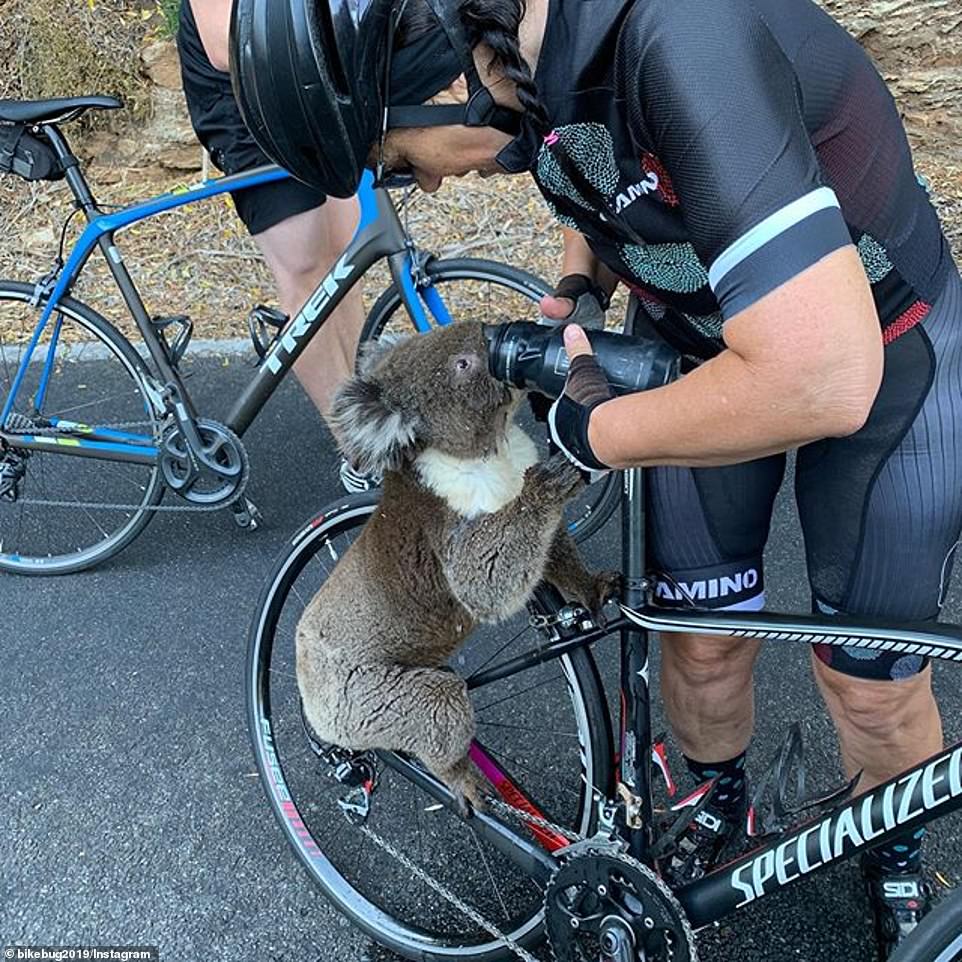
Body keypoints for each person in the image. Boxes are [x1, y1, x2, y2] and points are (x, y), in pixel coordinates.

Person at [230, 0, 962, 955]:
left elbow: (822, 376)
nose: (427, 185)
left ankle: (893, 851)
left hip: (888, 356)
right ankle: (716, 797)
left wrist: (595, 433)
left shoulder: (682, 40)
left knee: (869, 687)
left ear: (442, 76)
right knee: (699, 643)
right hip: (693, 344)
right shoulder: (525, 60)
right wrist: (584, 278)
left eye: (398, 162)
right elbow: (596, 173)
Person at [176, 0, 374, 491]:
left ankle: (362, 409)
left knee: (344, 256)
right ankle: (358, 450)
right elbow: (222, 46)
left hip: (302, 92)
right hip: (243, 104)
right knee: (303, 267)